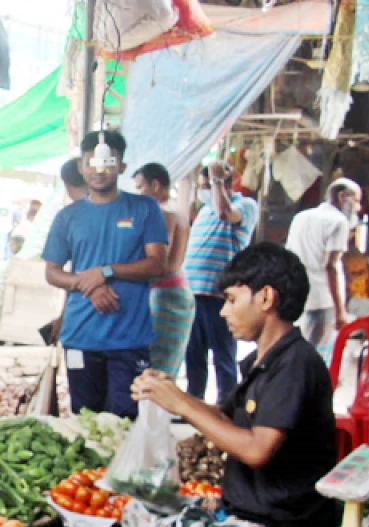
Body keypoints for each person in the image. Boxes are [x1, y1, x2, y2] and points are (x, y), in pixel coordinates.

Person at [133, 243, 338, 527]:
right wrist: (168, 392)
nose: (223, 312)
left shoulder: (296, 364)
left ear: (266, 298)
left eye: (231, 300)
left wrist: (182, 405)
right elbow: (222, 418)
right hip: (237, 514)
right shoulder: (264, 361)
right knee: (136, 511)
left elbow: (257, 450)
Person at [43, 130, 168, 418]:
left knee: (126, 419)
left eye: (108, 163)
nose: (99, 171)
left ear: (121, 167)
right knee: (85, 419)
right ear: (81, 167)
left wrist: (106, 272)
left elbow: (156, 264)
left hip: (129, 339)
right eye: (91, 163)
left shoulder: (145, 208)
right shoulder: (67, 217)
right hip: (80, 336)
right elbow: (52, 273)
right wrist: (90, 284)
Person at [183, 161, 260, 403]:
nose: (205, 190)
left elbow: (225, 213)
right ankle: (194, 405)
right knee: (193, 356)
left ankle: (227, 407)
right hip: (192, 293)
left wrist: (216, 180)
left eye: (209, 185)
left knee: (223, 357)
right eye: (204, 186)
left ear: (225, 184)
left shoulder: (246, 206)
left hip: (219, 296)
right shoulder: (205, 211)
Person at [133, 162, 195, 379]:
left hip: (163, 295)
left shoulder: (161, 212)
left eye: (140, 187)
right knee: (167, 365)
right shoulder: (179, 212)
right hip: (178, 290)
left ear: (155, 185)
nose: (138, 193)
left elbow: (158, 259)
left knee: (155, 367)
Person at [286, 178, 359, 346]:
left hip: (297, 295)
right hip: (322, 301)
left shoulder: (300, 217)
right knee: (316, 353)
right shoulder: (339, 222)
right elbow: (330, 266)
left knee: (296, 348)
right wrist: (340, 312)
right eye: (356, 201)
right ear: (342, 196)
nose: (358, 207)